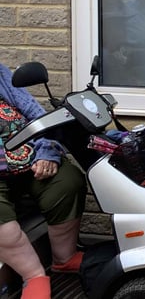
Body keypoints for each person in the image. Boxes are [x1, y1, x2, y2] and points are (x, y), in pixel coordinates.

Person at [0, 63, 87, 299]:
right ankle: (34, 275)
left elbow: (37, 115)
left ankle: (64, 258)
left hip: (28, 156)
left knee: (68, 181)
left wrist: (47, 151)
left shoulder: (1, 74)